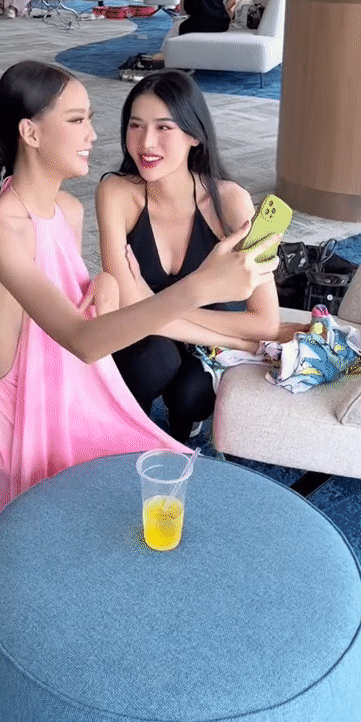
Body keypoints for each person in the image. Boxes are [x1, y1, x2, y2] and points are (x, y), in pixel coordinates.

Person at [0, 61, 280, 658]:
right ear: (31, 133)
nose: (95, 134)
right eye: (79, 120)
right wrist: (201, 286)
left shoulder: (69, 210)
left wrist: (103, 284)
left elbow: (74, 297)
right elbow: (82, 340)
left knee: (137, 521)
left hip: (74, 393)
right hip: (20, 422)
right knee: (63, 575)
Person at [96, 70, 282, 443]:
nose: (146, 142)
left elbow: (265, 322)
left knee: (191, 393)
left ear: (194, 135)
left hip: (203, 341)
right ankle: (126, 434)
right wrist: (237, 339)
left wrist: (150, 302)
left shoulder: (232, 201)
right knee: (152, 359)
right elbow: (127, 312)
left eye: (164, 127)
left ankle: (180, 433)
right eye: (136, 125)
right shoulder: (115, 192)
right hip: (149, 340)